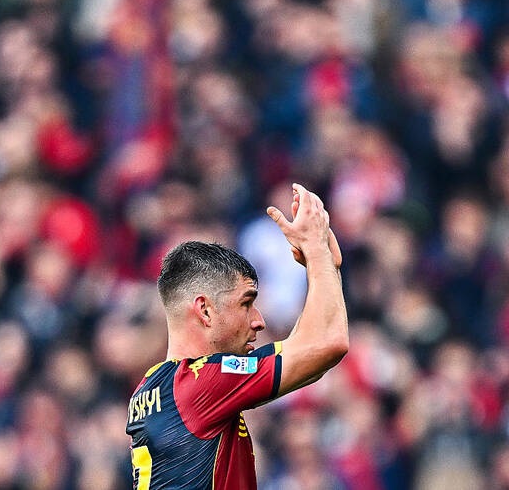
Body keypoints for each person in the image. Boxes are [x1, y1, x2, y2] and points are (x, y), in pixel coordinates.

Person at [125, 183, 347, 489]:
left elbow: (303, 351)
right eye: (246, 303)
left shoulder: (152, 385)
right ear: (205, 310)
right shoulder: (202, 383)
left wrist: (324, 268)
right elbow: (326, 344)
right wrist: (317, 251)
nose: (259, 320)